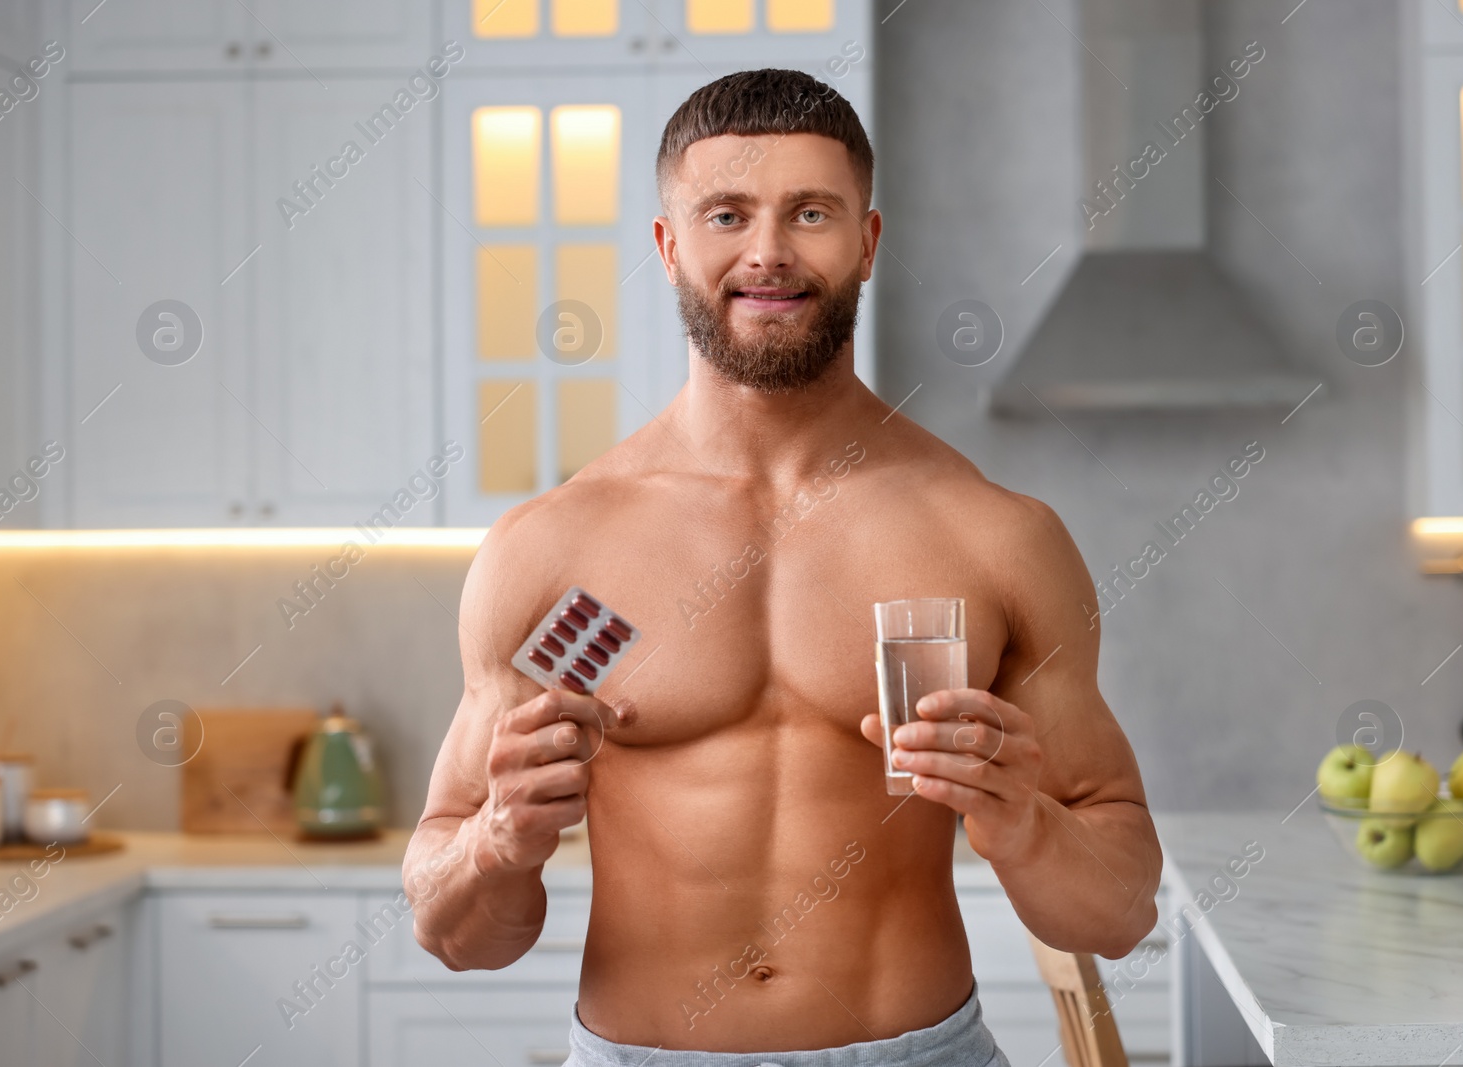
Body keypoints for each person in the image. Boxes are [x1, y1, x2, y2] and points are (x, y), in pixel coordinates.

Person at [405, 67, 1161, 1067]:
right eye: (726, 214)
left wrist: (1021, 820)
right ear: (670, 246)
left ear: (866, 242)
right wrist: (500, 839)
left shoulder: (993, 536)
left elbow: (1114, 911)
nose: (767, 252)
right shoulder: (550, 548)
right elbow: (457, 935)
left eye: (810, 212)